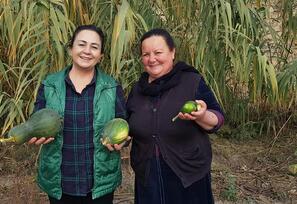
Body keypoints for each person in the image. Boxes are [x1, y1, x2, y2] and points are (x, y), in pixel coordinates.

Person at [29, 24, 129, 204]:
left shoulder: (112, 88)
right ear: (70, 49)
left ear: (101, 56)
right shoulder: (49, 85)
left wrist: (123, 140)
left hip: (100, 182)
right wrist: (36, 134)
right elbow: (38, 120)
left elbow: (123, 124)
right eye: (82, 44)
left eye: (94, 47)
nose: (87, 51)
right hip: (60, 181)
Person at [126, 28, 225, 204]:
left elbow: (218, 118)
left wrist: (201, 116)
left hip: (187, 174)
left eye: (158, 52)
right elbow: (128, 126)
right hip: (148, 175)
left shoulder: (191, 81)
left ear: (172, 52)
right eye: (146, 54)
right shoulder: (137, 90)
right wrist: (121, 139)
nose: (152, 59)